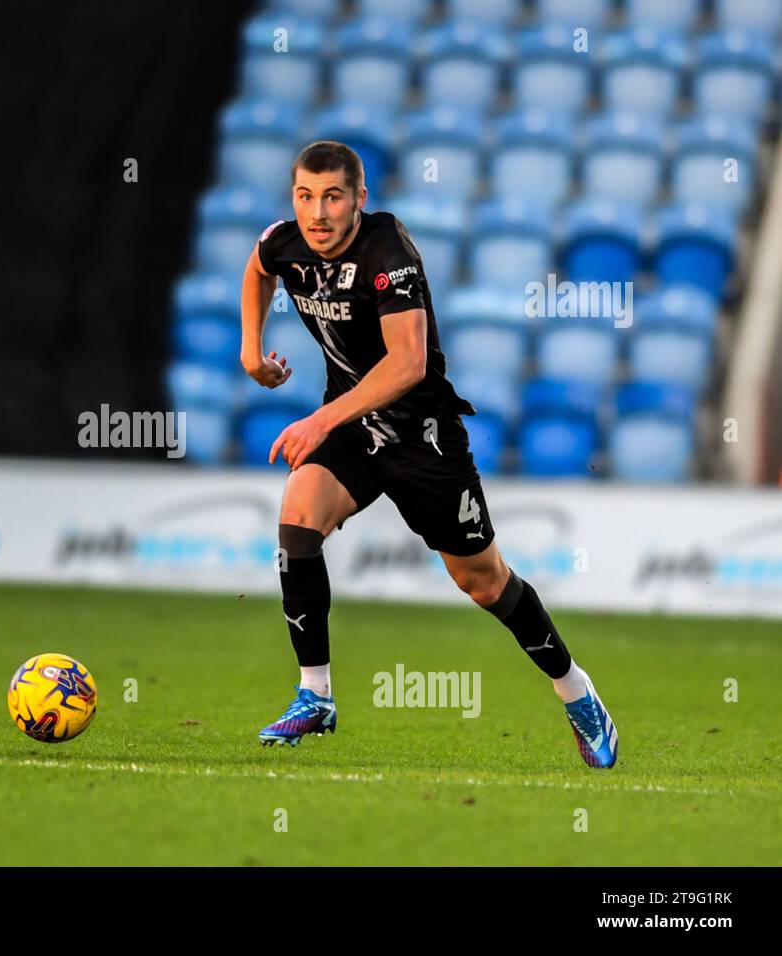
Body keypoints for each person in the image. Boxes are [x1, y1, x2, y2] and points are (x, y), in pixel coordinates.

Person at [242, 141, 616, 767]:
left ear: (360, 198)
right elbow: (257, 267)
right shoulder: (286, 241)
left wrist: (321, 418)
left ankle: (577, 691)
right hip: (356, 428)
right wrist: (251, 351)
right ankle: (316, 695)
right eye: (305, 197)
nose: (319, 213)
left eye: (333, 196)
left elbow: (408, 364)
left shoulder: (388, 253)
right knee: (299, 514)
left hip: (425, 439)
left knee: (483, 581)